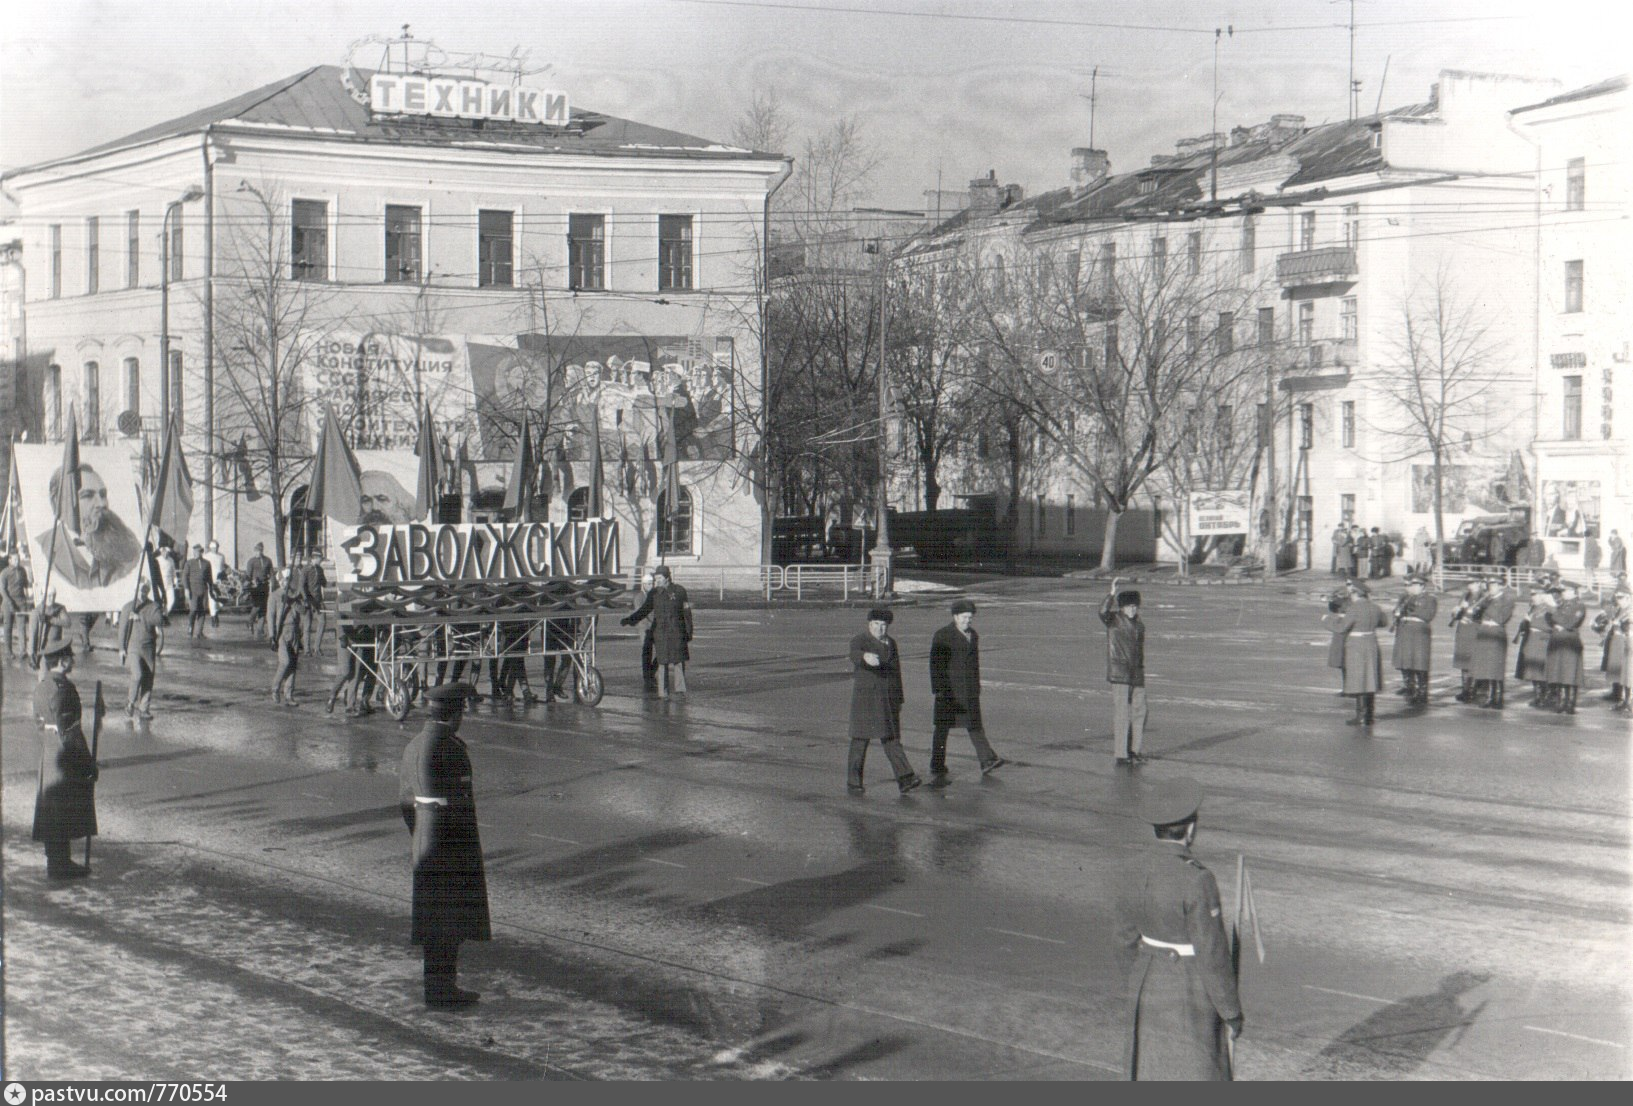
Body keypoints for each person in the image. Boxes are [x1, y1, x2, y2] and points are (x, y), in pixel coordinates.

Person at [1114, 778, 1243, 1081]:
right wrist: (1231, 1011)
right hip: (1189, 989)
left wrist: (1138, 983)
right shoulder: (1198, 879)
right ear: (1191, 829)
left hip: (1147, 983)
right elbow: (1211, 953)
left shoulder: (1134, 869)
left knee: (1149, 1071)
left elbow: (1123, 939)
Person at [398, 682, 490, 1008]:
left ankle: (435, 988)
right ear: (455, 714)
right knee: (448, 922)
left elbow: (405, 802)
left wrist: (421, 832)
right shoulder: (449, 747)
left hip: (425, 839)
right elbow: (463, 805)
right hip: (450, 844)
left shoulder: (414, 745)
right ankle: (443, 991)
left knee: (433, 921)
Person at [31, 640, 99, 880]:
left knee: (51, 809)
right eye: (70, 655)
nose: (73, 658)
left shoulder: (41, 687)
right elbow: (70, 731)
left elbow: (39, 723)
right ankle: (61, 866)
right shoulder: (64, 689)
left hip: (48, 750)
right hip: (64, 754)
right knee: (61, 809)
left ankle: (56, 861)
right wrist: (87, 763)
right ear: (62, 661)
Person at [926, 598, 1005, 786]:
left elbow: (974, 664)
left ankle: (987, 760)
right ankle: (937, 763)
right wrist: (939, 689)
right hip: (949, 690)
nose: (967, 621)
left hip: (968, 690)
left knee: (975, 725)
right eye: (963, 617)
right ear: (955, 617)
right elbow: (935, 665)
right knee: (943, 728)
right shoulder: (943, 635)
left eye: (970, 618)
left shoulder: (973, 635)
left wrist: (977, 685)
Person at [845, 607, 922, 795]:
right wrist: (865, 656)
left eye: (883, 625)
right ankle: (854, 782)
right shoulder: (861, 640)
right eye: (876, 624)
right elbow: (854, 653)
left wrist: (899, 697)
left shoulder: (891, 643)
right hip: (867, 700)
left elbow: (896, 672)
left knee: (891, 739)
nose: (880, 628)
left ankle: (905, 778)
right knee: (860, 741)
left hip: (888, 700)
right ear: (869, 625)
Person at [34, 462, 143, 589]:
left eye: (102, 495)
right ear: (60, 503)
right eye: (88, 495)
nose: (101, 503)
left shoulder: (129, 548)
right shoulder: (43, 547)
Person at [621, 565, 691, 698]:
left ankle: (680, 691)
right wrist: (630, 620)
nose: (657, 580)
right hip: (661, 632)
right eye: (656, 578)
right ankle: (663, 692)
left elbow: (687, 612)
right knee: (662, 662)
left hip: (677, 631)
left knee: (678, 661)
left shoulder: (680, 591)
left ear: (667, 578)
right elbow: (644, 610)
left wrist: (688, 631)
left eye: (659, 578)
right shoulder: (654, 593)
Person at [1100, 580, 1149, 766]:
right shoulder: (1114, 620)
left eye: (1135, 606)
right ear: (1121, 608)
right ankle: (1121, 754)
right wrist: (1111, 595)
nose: (1132, 610)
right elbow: (1102, 612)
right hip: (1120, 673)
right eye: (1129, 606)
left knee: (1141, 711)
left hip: (1137, 673)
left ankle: (1135, 750)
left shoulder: (1139, 625)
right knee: (1122, 714)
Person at [1330, 578, 1387, 726]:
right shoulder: (1375, 607)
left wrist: (1327, 620)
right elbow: (1384, 622)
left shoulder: (1354, 608)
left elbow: (1341, 628)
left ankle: (1361, 715)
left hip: (1356, 645)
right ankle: (1369, 715)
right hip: (1371, 643)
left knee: (1359, 680)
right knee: (1370, 679)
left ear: (1355, 593)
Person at [118, 581, 165, 722]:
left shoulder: (153, 606)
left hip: (149, 647)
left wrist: (143, 616)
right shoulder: (128, 607)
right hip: (133, 647)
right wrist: (121, 648)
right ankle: (130, 703)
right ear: (135, 590)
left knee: (148, 677)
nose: (142, 593)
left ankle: (144, 708)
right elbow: (122, 629)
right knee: (137, 675)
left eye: (145, 590)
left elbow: (160, 621)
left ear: (148, 591)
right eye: (139, 590)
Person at [1390, 573, 1437, 706]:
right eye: (1410, 585)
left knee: (1419, 662)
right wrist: (1397, 612)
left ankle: (1422, 692)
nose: (1411, 588)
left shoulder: (1429, 598)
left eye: (1414, 585)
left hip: (1418, 632)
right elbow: (1396, 611)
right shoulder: (1404, 597)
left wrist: (1411, 611)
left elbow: (1428, 615)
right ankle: (1409, 687)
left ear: (1422, 586)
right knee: (1405, 660)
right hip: (1404, 629)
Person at [1471, 571, 1516, 709]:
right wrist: (1477, 608)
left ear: (1501, 586)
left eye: (1494, 585)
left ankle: (1497, 697)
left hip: (1496, 633)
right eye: (1490, 585)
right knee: (1485, 666)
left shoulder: (1507, 600)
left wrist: (1486, 605)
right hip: (1484, 632)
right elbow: (1475, 617)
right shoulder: (1486, 599)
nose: (1491, 587)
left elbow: (1501, 618)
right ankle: (1489, 696)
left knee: (1495, 667)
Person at [1543, 581, 1587, 715]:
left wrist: (1555, 612)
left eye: (1565, 591)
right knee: (1560, 672)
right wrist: (1557, 621)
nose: (1563, 593)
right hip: (1558, 640)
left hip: (1569, 641)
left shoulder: (1579, 605)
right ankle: (1562, 701)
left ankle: (1570, 704)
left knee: (1570, 673)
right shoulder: (1562, 604)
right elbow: (1549, 619)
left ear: (1573, 591)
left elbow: (1570, 622)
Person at [1514, 586, 1557, 709]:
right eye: (1532, 594)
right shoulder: (1533, 608)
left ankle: (1547, 697)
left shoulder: (1549, 609)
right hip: (1531, 640)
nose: (1533, 597)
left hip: (1542, 641)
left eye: (1536, 594)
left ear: (1543, 596)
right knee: (1533, 670)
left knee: (1542, 671)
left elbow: (1552, 627)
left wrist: (1532, 622)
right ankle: (1538, 696)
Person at [1449, 578, 1487, 703]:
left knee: (1473, 660)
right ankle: (1465, 689)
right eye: (1468, 583)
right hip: (1463, 631)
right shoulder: (1465, 596)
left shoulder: (1484, 596)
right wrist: (1457, 611)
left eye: (1472, 583)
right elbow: (1457, 615)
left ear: (1478, 583)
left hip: (1474, 630)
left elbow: (1485, 615)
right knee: (1463, 661)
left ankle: (1473, 690)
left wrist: (1472, 610)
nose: (1469, 586)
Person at [1594, 587, 1631, 712]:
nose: (1618, 600)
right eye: (1617, 597)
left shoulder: (1629, 610)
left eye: (1621, 597)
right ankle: (1620, 697)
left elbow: (1625, 626)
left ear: (1628, 597)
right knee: (1617, 670)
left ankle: (1626, 700)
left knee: (1625, 672)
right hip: (1616, 640)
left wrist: (1616, 623)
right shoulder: (1620, 609)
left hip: (1624, 641)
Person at [270, 577, 305, 705]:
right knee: (285, 662)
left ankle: (289, 695)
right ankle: (275, 688)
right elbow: (271, 615)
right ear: (279, 581)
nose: (285, 583)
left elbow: (303, 611)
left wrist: (293, 601)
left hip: (294, 631)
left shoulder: (294, 595)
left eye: (287, 580)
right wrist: (272, 636)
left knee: (293, 666)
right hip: (281, 632)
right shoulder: (275, 595)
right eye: (283, 580)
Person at [2, 552, 31, 659]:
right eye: (15, 559)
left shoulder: (22, 570)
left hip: (21, 602)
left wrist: (31, 581)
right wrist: (9, 603)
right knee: (8, 628)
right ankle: (8, 652)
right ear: (9, 560)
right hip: (8, 602)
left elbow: (26, 585)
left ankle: (23, 651)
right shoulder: (4, 573)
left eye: (18, 559)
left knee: (21, 627)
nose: (17, 561)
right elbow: (2, 590)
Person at [182, 544, 213, 639]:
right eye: (194, 551)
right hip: (193, 589)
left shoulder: (207, 563)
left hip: (203, 589)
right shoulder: (189, 563)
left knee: (202, 610)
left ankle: (199, 632)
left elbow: (209, 578)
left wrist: (211, 588)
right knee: (193, 610)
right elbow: (184, 577)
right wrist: (186, 589)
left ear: (201, 552)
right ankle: (190, 627)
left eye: (198, 551)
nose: (195, 553)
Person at [245, 543, 274, 639]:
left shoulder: (267, 560)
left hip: (264, 586)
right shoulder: (251, 561)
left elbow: (272, 574)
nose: (258, 552)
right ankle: (250, 621)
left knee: (263, 608)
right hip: (255, 587)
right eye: (256, 550)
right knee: (257, 605)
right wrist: (249, 582)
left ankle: (260, 630)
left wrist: (273, 584)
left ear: (262, 550)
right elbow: (248, 575)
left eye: (259, 550)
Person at [203, 540, 227, 627]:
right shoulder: (206, 556)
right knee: (212, 599)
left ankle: (215, 612)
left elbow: (223, 567)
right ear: (210, 548)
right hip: (210, 580)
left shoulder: (221, 556)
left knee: (220, 599)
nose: (215, 549)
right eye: (213, 548)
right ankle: (214, 617)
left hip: (220, 581)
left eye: (216, 547)